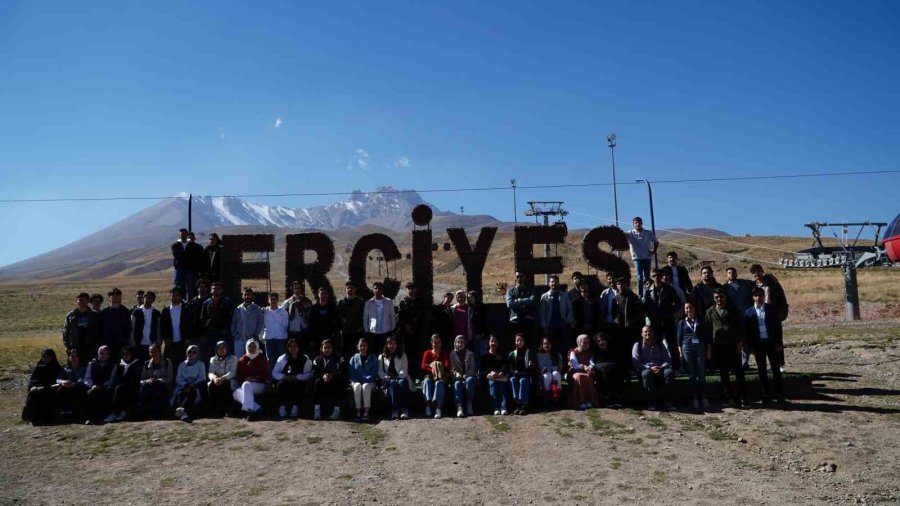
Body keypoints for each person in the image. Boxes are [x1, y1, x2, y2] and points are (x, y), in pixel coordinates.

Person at [705, 289, 747, 406]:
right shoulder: (710, 311)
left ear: (725, 297)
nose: (719, 299)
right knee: (723, 374)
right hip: (718, 346)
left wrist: (740, 343)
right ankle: (729, 398)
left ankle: (743, 396)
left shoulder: (734, 310)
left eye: (721, 297)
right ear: (714, 298)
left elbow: (740, 327)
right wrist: (709, 347)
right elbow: (708, 330)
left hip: (733, 345)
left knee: (738, 372)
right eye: (717, 297)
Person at [745, 288, 786, 404]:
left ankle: (779, 393)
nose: (759, 298)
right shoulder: (748, 312)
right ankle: (766, 394)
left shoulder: (771, 309)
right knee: (762, 370)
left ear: (764, 296)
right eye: (756, 296)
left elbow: (778, 328)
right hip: (758, 345)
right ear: (753, 297)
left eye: (761, 295)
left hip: (771, 343)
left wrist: (778, 343)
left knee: (775, 369)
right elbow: (747, 332)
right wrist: (751, 347)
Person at [750, 264, 789, 371]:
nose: (757, 274)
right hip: (759, 316)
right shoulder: (753, 286)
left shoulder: (773, 283)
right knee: (761, 341)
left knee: (776, 340)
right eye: (754, 272)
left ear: (762, 271)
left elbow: (782, 298)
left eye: (758, 271)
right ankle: (765, 365)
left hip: (773, 315)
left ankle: (779, 364)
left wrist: (782, 313)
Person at [642, 268, 681, 370]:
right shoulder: (648, 291)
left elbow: (678, 303)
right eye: (654, 276)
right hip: (655, 322)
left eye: (659, 275)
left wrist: (670, 313)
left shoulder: (669, 289)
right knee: (657, 344)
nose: (657, 278)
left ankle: (676, 367)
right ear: (652, 277)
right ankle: (659, 366)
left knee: (672, 344)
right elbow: (644, 306)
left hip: (668, 320)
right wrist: (650, 315)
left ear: (662, 276)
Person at [632, 326, 675, 411]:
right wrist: (650, 368)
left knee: (669, 372)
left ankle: (667, 401)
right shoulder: (638, 345)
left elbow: (667, 359)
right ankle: (651, 401)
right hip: (646, 369)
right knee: (646, 374)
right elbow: (636, 362)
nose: (648, 333)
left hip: (660, 368)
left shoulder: (660, 344)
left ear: (653, 333)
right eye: (645, 332)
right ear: (642, 334)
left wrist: (661, 367)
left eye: (650, 331)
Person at [677, 302, 709, 410]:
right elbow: (679, 339)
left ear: (694, 309)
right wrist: (680, 352)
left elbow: (706, 336)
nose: (688, 310)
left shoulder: (700, 321)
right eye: (686, 308)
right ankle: (695, 397)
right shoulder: (681, 323)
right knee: (691, 373)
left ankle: (704, 396)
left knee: (701, 372)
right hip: (686, 347)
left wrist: (708, 350)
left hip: (699, 346)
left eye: (690, 307)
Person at [272, 338, 313, 419]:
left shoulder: (305, 359)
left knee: (298, 385)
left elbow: (309, 373)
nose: (293, 348)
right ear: (287, 348)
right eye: (290, 346)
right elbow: (274, 373)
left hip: (298, 381)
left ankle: (295, 408)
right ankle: (282, 408)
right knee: (280, 385)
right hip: (286, 381)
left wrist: (296, 377)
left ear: (298, 347)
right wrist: (284, 377)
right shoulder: (282, 358)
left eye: (295, 346)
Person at [724, 267, 755, 369]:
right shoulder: (724, 288)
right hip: (733, 319)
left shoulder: (745, 284)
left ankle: (745, 363)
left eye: (733, 272)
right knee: (735, 341)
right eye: (729, 272)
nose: (731, 274)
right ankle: (735, 363)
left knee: (746, 341)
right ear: (727, 275)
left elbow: (757, 283)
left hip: (746, 317)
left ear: (737, 273)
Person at [614, 277, 645, 378]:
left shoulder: (632, 296)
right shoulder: (617, 297)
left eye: (622, 284)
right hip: (620, 329)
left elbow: (639, 314)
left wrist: (631, 324)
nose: (620, 286)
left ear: (626, 285)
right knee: (622, 350)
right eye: (618, 284)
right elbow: (614, 313)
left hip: (631, 329)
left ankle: (633, 368)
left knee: (632, 349)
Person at [22, 349, 62, 425]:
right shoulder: (38, 368)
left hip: (52, 389)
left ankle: (51, 418)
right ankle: (33, 418)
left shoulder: (56, 368)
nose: (45, 358)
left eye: (48, 356)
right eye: (43, 356)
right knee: (33, 394)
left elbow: (59, 380)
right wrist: (34, 387)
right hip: (39, 389)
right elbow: (32, 382)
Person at [233, 340, 270, 420]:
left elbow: (265, 374)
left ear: (257, 348)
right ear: (246, 347)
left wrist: (254, 379)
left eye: (254, 347)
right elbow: (239, 376)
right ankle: (257, 408)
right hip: (246, 384)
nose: (252, 348)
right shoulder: (242, 359)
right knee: (235, 393)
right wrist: (245, 379)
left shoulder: (262, 358)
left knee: (246, 384)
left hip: (260, 384)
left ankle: (248, 412)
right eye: (250, 346)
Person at [378, 335, 412, 420]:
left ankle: (404, 409)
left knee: (402, 383)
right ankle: (395, 409)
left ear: (397, 345)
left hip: (401, 377)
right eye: (390, 344)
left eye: (394, 344)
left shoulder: (403, 355)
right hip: (388, 380)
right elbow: (380, 371)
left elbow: (404, 369)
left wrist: (398, 377)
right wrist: (387, 377)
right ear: (386, 345)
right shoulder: (381, 357)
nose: (392, 346)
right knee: (392, 383)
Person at [63, 292, 101, 366]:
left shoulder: (94, 315)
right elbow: (65, 332)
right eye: (79, 300)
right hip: (75, 347)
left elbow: (98, 332)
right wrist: (67, 347)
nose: (81, 302)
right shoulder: (70, 316)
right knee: (74, 368)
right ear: (77, 301)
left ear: (88, 301)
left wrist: (96, 347)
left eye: (84, 300)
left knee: (90, 368)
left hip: (90, 348)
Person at [137, 344, 174, 419]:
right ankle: (141, 412)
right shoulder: (146, 364)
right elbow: (142, 380)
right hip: (150, 385)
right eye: (151, 352)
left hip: (164, 386)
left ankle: (158, 414)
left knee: (157, 386)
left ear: (160, 351)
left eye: (155, 351)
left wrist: (158, 380)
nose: (153, 354)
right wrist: (148, 380)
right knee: (144, 388)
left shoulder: (167, 361)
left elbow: (170, 378)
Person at [200, 281, 234, 362]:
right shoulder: (206, 303)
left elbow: (231, 318)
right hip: (210, 333)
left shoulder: (227, 302)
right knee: (210, 355)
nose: (215, 290)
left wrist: (228, 330)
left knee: (223, 354)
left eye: (218, 289)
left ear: (222, 290)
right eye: (213, 289)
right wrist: (203, 334)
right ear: (211, 290)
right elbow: (202, 319)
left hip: (223, 333)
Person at [396, 282, 431, 360]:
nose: (410, 290)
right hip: (406, 331)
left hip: (418, 330)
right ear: (406, 290)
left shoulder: (420, 301)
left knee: (417, 351)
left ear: (415, 290)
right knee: (407, 351)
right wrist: (407, 326)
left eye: (412, 288)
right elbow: (400, 316)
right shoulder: (403, 302)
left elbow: (424, 314)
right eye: (409, 289)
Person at [540, 275, 574, 353]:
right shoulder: (544, 296)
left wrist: (568, 320)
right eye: (552, 282)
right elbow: (542, 313)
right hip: (550, 326)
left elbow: (570, 309)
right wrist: (544, 325)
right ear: (549, 283)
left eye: (555, 282)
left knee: (563, 346)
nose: (554, 283)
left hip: (562, 325)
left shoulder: (564, 295)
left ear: (558, 283)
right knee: (552, 346)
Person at [106, 346, 142, 422]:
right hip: (120, 386)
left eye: (127, 354)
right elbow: (115, 377)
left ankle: (118, 412)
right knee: (110, 389)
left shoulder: (136, 363)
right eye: (124, 354)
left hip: (132, 387)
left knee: (119, 389)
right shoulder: (120, 364)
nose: (126, 356)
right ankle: (111, 412)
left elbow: (136, 378)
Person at [171, 345, 205, 422]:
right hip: (183, 385)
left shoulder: (201, 364)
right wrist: (186, 384)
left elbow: (202, 377)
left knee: (192, 392)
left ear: (197, 354)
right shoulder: (182, 364)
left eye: (194, 352)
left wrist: (192, 385)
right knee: (180, 393)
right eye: (189, 352)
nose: (191, 354)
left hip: (195, 385)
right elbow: (178, 378)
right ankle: (183, 412)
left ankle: (181, 411)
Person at [84, 345, 117, 424]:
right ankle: (90, 418)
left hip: (105, 387)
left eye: (106, 354)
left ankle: (102, 416)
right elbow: (87, 378)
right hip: (93, 387)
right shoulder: (91, 364)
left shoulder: (113, 365)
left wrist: (101, 386)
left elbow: (111, 380)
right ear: (98, 353)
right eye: (102, 353)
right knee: (90, 393)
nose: (104, 355)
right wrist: (92, 385)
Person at [312, 339, 344, 420]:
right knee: (317, 382)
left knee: (338, 382)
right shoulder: (317, 359)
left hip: (334, 382)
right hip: (322, 384)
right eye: (325, 347)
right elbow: (314, 372)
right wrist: (323, 375)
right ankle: (317, 409)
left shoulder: (339, 358)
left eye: (329, 347)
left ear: (332, 348)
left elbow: (343, 370)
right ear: (321, 348)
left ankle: (337, 410)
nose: (327, 350)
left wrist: (331, 375)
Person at [626, 217, 658, 297]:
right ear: (633, 224)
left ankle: (648, 293)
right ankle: (640, 295)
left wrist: (653, 251)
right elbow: (621, 236)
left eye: (639, 222)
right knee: (640, 277)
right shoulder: (630, 233)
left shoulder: (648, 233)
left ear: (642, 223)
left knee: (647, 277)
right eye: (636, 223)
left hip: (647, 257)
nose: (638, 224)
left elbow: (656, 242)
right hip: (637, 258)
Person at [348, 338, 378, 422]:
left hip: (370, 382)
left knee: (365, 386)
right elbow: (351, 373)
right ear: (357, 347)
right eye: (361, 345)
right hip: (356, 381)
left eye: (365, 345)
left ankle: (366, 412)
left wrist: (366, 379)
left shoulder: (373, 357)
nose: (362, 347)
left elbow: (374, 372)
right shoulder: (353, 358)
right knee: (357, 386)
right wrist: (356, 381)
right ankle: (358, 412)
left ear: (368, 346)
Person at [420, 334, 450, 419]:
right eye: (434, 342)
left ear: (441, 343)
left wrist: (436, 366)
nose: (436, 344)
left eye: (438, 342)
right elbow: (423, 366)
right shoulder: (427, 353)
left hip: (441, 377)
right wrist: (433, 369)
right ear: (431, 343)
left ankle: (438, 408)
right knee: (427, 382)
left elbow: (447, 365)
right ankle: (428, 405)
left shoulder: (444, 353)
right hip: (429, 376)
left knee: (439, 383)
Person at [161, 286, 192, 367]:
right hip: (169, 342)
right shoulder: (165, 311)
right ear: (170, 296)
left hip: (182, 342)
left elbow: (189, 325)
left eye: (177, 295)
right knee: (169, 363)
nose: (174, 297)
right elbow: (163, 326)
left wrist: (187, 338)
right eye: (173, 295)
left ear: (180, 297)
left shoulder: (186, 309)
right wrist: (165, 338)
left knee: (183, 363)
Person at [506, 272, 537, 350]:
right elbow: (509, 303)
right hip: (515, 320)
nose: (519, 278)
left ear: (524, 277)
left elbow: (532, 301)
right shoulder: (510, 290)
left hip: (527, 320)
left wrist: (518, 300)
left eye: (521, 276)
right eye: (517, 276)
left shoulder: (530, 290)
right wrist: (524, 303)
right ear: (515, 278)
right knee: (515, 344)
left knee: (528, 344)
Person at [54, 349, 88, 420]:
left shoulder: (83, 369)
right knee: (60, 390)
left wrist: (73, 384)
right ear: (69, 358)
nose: (74, 358)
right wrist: (63, 382)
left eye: (76, 356)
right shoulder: (65, 369)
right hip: (67, 387)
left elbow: (84, 380)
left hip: (78, 388)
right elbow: (58, 379)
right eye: (72, 356)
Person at [99, 288, 132, 360]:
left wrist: (125, 339)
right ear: (109, 298)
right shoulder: (104, 312)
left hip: (122, 343)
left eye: (118, 296)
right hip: (107, 343)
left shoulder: (125, 311)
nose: (116, 297)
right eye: (113, 296)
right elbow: (100, 328)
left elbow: (129, 327)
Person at [481, 335, 510, 416]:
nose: (493, 343)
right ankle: (496, 407)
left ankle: (503, 406)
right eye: (492, 341)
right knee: (492, 384)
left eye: (495, 341)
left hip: (501, 377)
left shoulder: (502, 354)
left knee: (502, 385)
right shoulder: (484, 356)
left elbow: (505, 365)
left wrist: (502, 372)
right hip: (490, 377)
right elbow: (483, 369)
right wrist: (490, 372)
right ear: (489, 343)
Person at [592, 332, 623, 407]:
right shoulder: (595, 351)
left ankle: (615, 398)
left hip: (612, 371)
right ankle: (608, 399)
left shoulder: (614, 349)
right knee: (605, 374)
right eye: (598, 341)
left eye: (603, 340)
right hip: (601, 373)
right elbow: (595, 364)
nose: (601, 342)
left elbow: (618, 362)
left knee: (614, 373)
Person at [363, 282, 396, 352]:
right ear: (373, 290)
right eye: (376, 288)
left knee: (385, 351)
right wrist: (367, 330)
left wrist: (392, 328)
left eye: (379, 288)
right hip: (373, 332)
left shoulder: (388, 301)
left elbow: (392, 316)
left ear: (382, 290)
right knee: (374, 351)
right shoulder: (368, 303)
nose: (377, 290)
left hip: (385, 331)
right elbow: (365, 317)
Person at [207, 340, 237, 417]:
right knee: (211, 385)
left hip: (229, 380)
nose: (221, 350)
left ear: (227, 348)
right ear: (216, 350)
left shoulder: (233, 358)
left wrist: (223, 378)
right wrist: (214, 378)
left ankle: (229, 410)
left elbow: (232, 373)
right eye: (219, 348)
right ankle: (214, 410)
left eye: (223, 348)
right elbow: (210, 372)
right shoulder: (213, 359)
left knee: (226, 384)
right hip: (217, 380)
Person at [449, 335, 477, 418]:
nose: (460, 344)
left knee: (470, 380)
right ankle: (459, 407)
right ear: (455, 343)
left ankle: (469, 403)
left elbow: (472, 369)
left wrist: (465, 376)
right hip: (457, 377)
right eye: (458, 342)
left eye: (462, 342)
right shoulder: (452, 354)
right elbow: (452, 369)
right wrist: (458, 376)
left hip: (467, 376)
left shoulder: (470, 354)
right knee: (457, 383)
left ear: (465, 344)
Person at [336, 281, 365, 359]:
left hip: (357, 332)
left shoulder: (361, 302)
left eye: (352, 288)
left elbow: (364, 316)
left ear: (355, 289)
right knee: (346, 353)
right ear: (345, 290)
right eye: (348, 288)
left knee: (358, 353)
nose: (350, 289)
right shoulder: (341, 303)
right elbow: (338, 318)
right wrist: (341, 329)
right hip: (346, 333)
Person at [507, 333, 535, 415]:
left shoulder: (528, 352)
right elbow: (509, 367)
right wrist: (513, 371)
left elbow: (533, 366)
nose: (519, 342)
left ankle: (524, 405)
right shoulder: (512, 354)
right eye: (517, 340)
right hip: (516, 375)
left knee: (523, 381)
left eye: (521, 340)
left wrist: (531, 366)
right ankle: (518, 404)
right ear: (515, 342)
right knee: (512, 379)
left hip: (526, 376)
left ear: (524, 341)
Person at [568, 334, 597, 410]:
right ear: (579, 342)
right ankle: (580, 401)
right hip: (574, 372)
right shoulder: (573, 352)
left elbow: (592, 363)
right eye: (584, 342)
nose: (586, 344)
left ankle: (588, 400)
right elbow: (574, 365)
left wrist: (590, 368)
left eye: (588, 343)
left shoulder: (589, 353)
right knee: (579, 376)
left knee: (588, 376)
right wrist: (584, 366)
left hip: (586, 371)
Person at [262, 292, 290, 370]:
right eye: (271, 299)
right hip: (269, 339)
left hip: (280, 339)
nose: (273, 301)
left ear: (278, 300)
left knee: (281, 359)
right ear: (268, 300)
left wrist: (281, 334)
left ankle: (280, 377)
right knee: (270, 360)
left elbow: (285, 325)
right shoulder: (264, 311)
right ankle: (272, 379)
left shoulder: (283, 312)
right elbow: (262, 324)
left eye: (275, 299)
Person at [131, 291, 161, 362]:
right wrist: (132, 340)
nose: (147, 299)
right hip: (138, 344)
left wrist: (159, 340)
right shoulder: (136, 312)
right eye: (145, 297)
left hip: (152, 344)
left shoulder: (156, 313)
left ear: (153, 300)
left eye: (149, 298)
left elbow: (158, 328)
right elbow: (132, 328)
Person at [309, 287, 340, 356]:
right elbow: (311, 323)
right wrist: (312, 337)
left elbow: (338, 321)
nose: (323, 295)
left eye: (325, 293)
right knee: (318, 355)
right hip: (317, 337)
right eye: (321, 293)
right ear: (318, 295)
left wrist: (334, 333)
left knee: (331, 355)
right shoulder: (314, 308)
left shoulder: (332, 307)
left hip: (330, 336)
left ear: (328, 295)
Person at [283, 281, 312, 351]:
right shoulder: (287, 302)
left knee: (303, 352)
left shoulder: (307, 301)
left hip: (303, 332)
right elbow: (282, 315)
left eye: (298, 288)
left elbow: (311, 315)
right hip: (292, 331)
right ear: (292, 289)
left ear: (301, 289)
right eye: (295, 288)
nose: (297, 290)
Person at [536, 336, 563, 406]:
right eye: (545, 344)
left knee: (555, 373)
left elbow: (559, 368)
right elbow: (542, 367)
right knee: (547, 374)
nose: (546, 345)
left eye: (548, 343)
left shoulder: (557, 355)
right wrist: (551, 368)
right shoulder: (539, 355)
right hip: (543, 374)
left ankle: (557, 398)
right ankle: (546, 398)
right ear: (542, 345)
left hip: (555, 373)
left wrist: (549, 368)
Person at [171, 228, 196, 298]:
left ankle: (190, 303)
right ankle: (180, 302)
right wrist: (186, 254)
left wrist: (182, 255)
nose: (183, 235)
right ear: (179, 235)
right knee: (179, 287)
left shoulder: (192, 245)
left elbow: (193, 255)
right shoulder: (175, 245)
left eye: (185, 234)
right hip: (179, 269)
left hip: (189, 269)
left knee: (190, 287)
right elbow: (176, 254)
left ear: (187, 234)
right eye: (182, 234)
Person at [466, 290, 490, 359]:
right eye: (469, 298)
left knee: (483, 355)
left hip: (481, 335)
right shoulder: (470, 308)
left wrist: (482, 334)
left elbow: (483, 321)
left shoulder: (481, 307)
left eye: (472, 297)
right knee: (475, 356)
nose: (470, 299)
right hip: (473, 336)